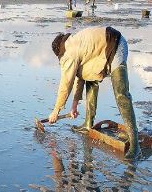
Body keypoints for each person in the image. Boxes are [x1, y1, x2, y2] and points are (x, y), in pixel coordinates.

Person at [48, 26, 141, 160]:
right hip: (102, 51)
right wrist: (74, 106)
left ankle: (134, 144)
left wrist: (56, 111)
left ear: (58, 52)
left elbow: (66, 84)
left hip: (116, 44)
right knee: (89, 77)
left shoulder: (68, 52)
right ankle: (88, 124)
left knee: (121, 95)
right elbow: (79, 78)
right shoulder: (75, 45)